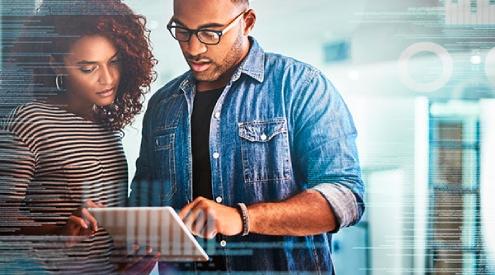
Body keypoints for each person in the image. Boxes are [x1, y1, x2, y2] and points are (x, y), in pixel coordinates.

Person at [129, 0, 365, 272]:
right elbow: (144, 200)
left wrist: (242, 218)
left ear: (248, 21)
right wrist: (106, 225)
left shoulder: (301, 85)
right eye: (182, 31)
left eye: (210, 32)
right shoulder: (162, 104)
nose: (193, 48)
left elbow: (345, 197)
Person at [0, 0, 157, 273]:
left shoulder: (107, 129)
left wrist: (127, 247)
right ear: (56, 65)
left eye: (114, 62)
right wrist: (59, 231)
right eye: (88, 68)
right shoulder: (30, 121)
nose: (107, 79)